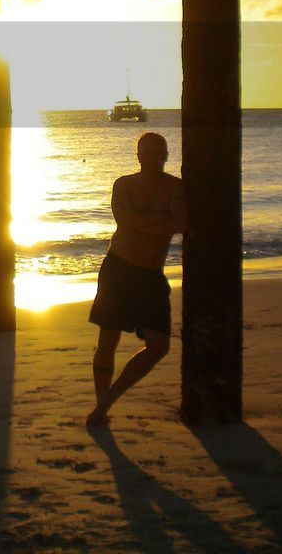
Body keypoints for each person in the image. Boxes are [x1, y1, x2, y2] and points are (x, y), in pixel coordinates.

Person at [86, 131, 186, 427]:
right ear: (138, 155)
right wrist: (162, 221)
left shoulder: (176, 187)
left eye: (159, 151)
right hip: (119, 270)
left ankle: (109, 397)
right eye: (147, 152)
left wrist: (147, 223)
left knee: (159, 346)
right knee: (108, 339)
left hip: (151, 276)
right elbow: (125, 221)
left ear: (166, 155)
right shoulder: (125, 184)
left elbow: (181, 223)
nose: (154, 157)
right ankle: (100, 409)